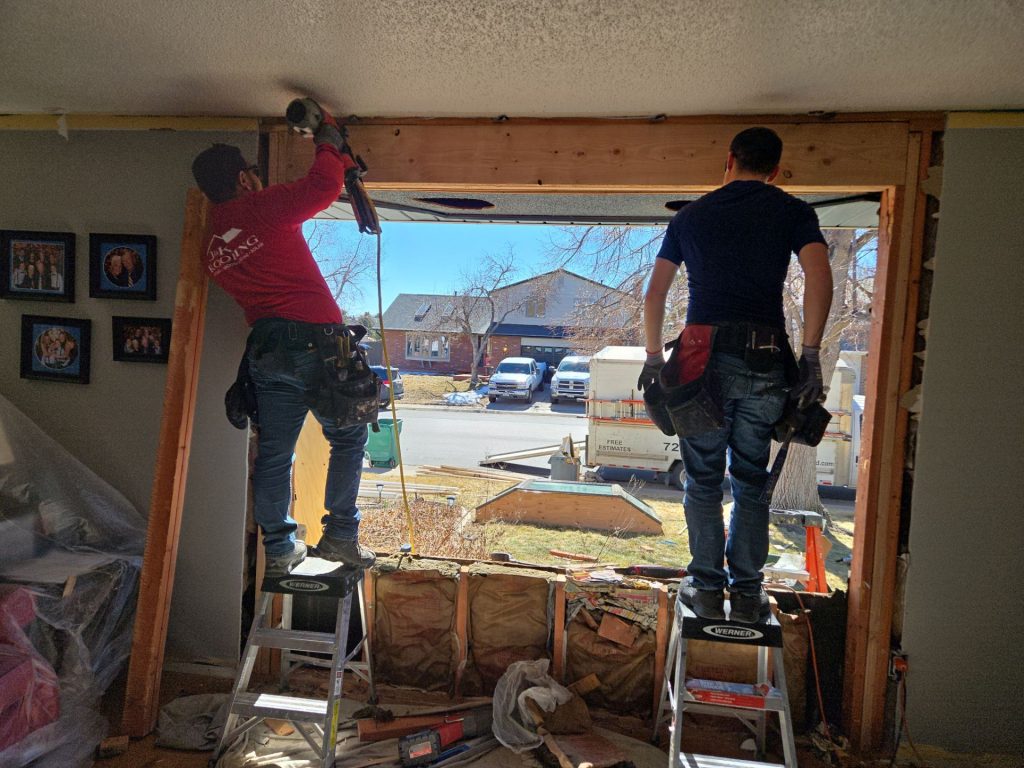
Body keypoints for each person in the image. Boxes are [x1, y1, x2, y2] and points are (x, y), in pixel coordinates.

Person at [638, 127, 833, 624]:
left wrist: (654, 359)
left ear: (729, 160)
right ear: (775, 169)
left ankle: (706, 590)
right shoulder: (793, 211)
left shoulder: (691, 217)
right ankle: (746, 594)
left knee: (703, 480)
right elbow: (819, 275)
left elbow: (655, 294)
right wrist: (810, 354)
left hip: (700, 360)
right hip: (765, 360)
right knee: (750, 480)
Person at [191, 117, 375, 577]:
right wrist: (327, 144)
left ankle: (278, 548)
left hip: (266, 350)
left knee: (275, 452)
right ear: (241, 178)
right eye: (252, 170)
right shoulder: (259, 208)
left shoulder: (212, 246)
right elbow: (321, 187)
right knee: (349, 434)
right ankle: (339, 537)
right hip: (314, 342)